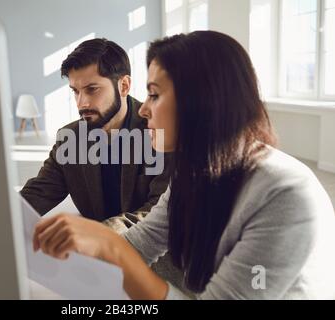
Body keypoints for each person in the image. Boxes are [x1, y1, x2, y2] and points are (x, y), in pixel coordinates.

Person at [32, 31, 335, 299]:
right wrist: (89, 249)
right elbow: (144, 241)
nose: (146, 109)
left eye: (155, 95)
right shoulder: (194, 171)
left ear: (201, 101)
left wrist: (108, 246)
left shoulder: (286, 193)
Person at [20, 38, 181, 285]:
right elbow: (38, 193)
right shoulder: (70, 138)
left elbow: (158, 212)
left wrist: (95, 235)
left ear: (124, 85)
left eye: (92, 89)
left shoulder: (159, 130)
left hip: (157, 269)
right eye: (75, 91)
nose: (81, 103)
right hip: (99, 270)